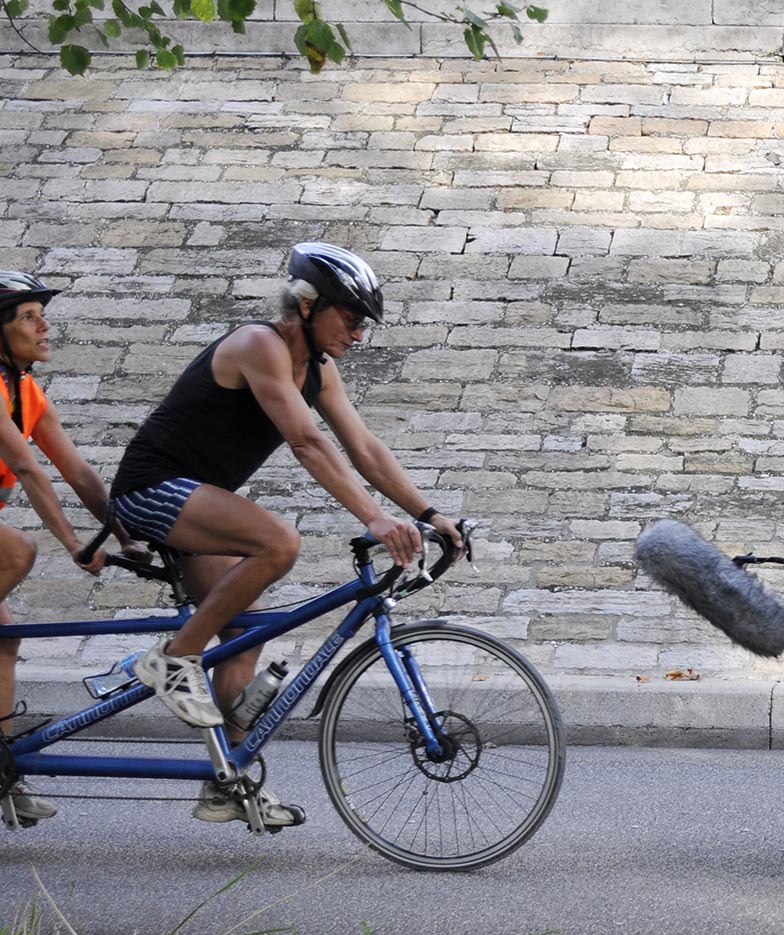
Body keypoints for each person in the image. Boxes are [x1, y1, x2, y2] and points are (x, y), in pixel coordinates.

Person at [107, 243, 463, 827]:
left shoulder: (319, 370)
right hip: (153, 488)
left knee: (246, 636)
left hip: (202, 504)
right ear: (306, 305)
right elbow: (305, 441)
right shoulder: (258, 345)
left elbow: (366, 449)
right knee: (279, 543)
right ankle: (173, 659)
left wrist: (429, 512)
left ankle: (228, 783)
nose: (358, 334)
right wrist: (373, 518)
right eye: (349, 319)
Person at [0, 271, 127, 827]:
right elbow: (27, 467)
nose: (44, 325)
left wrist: (125, 532)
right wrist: (74, 543)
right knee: (17, 552)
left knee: (3, 643)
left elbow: (76, 470)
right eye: (28, 317)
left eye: (40, 314)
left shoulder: (24, 390)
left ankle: (2, 775)